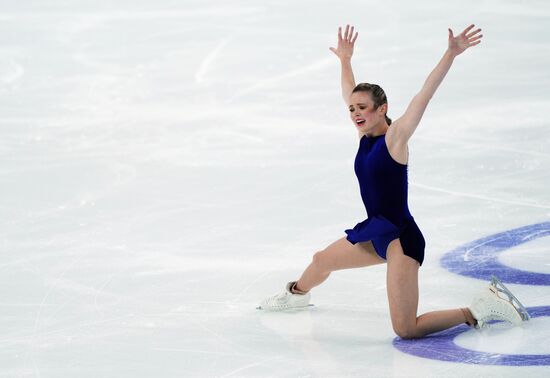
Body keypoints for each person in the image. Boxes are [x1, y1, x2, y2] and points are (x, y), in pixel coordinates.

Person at [259, 24, 528, 338]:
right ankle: (296, 295)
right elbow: (349, 90)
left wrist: (451, 54)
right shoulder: (365, 134)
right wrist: (345, 60)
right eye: (352, 109)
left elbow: (423, 96)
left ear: (382, 109)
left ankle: (479, 308)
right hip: (376, 233)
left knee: (406, 329)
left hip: (401, 239)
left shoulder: (395, 139)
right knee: (321, 260)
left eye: (362, 108)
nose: (355, 113)